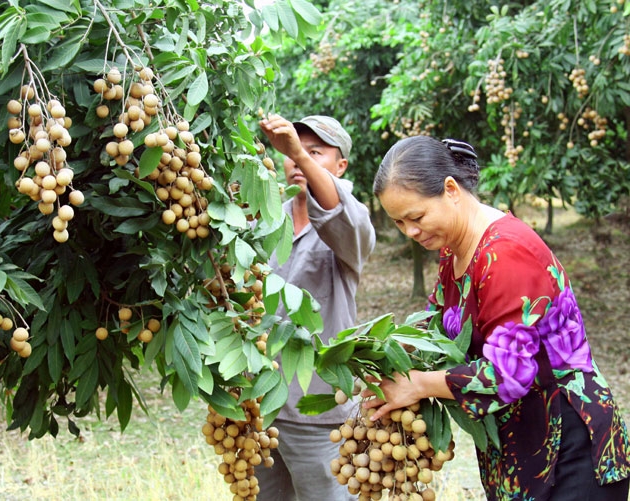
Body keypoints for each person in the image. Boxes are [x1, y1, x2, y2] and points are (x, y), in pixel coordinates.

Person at [365, 135, 630, 500]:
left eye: (416, 217)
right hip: (520, 444)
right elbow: (437, 324)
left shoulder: (505, 253)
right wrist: (383, 356)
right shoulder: (453, 251)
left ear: (451, 189)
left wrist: (419, 383)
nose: (410, 232)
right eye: (398, 222)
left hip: (568, 445)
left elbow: (509, 373)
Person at [256, 114, 376, 500]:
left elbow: (342, 214)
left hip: (319, 415)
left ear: (340, 166)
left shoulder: (350, 228)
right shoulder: (265, 219)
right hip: (260, 408)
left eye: (314, 153)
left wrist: (296, 153)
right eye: (293, 152)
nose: (298, 160)